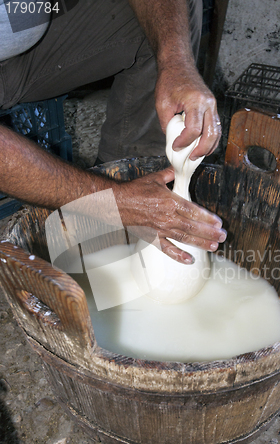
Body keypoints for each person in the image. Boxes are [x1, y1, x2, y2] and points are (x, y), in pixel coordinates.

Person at [0, 0, 226, 263]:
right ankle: (122, 208)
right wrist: (111, 202)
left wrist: (176, 62)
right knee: (114, 207)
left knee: (171, 17)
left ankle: (132, 190)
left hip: (19, 36)